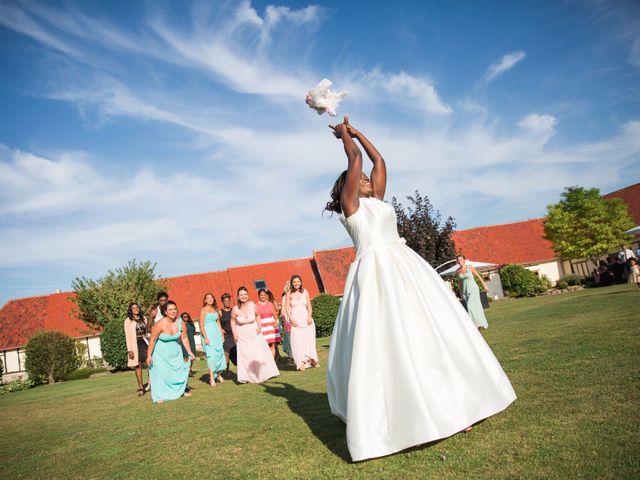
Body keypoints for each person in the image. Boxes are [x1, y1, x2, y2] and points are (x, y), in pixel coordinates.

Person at [324, 116, 516, 462]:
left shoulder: (378, 200)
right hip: (376, 276)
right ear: (347, 189)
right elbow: (355, 161)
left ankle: (456, 406)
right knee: (390, 343)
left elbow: (378, 161)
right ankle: (404, 419)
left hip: (406, 269)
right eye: (360, 180)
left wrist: (357, 132)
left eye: (368, 180)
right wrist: (342, 138)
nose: (367, 178)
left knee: (430, 333)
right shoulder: (351, 209)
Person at [146, 301, 195, 404]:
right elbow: (153, 340)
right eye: (170, 310)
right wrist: (149, 355)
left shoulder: (180, 323)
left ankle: (180, 391)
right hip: (160, 354)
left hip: (175, 354)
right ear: (165, 312)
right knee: (160, 375)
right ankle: (158, 396)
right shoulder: (159, 324)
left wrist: (190, 352)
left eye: (174, 309)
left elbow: (184, 338)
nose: (173, 311)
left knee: (178, 373)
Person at [231, 286, 279, 384]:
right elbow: (232, 321)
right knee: (246, 356)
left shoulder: (253, 305)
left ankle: (261, 374)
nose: (243, 296)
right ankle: (248, 376)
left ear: (247, 295)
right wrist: (234, 333)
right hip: (242, 336)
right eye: (241, 295)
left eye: (245, 294)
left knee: (257, 354)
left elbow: (258, 316)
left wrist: (259, 326)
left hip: (254, 333)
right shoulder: (235, 309)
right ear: (238, 297)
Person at [286, 275, 319, 371]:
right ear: (292, 283)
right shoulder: (289, 294)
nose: (296, 283)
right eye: (294, 282)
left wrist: (309, 317)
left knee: (309, 341)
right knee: (298, 341)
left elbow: (309, 306)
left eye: (298, 281)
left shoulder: (305, 292)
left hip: (306, 320)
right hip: (296, 321)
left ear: (301, 282)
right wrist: (291, 319)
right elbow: (288, 308)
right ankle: (301, 362)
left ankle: (312, 359)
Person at [198, 293, 226, 386]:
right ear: (205, 300)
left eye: (211, 298)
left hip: (216, 335)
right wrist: (205, 337)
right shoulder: (203, 311)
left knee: (219, 354)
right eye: (207, 298)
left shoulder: (215, 310)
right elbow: (201, 326)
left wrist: (221, 334)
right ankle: (211, 378)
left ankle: (219, 375)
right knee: (211, 356)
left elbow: (218, 323)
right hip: (208, 335)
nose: (210, 299)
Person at [123, 302, 150, 396]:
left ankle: (151, 384)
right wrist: (129, 349)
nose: (136, 309)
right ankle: (141, 387)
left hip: (145, 343)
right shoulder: (128, 320)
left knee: (150, 363)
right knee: (138, 365)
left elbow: (148, 331)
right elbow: (128, 336)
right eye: (133, 308)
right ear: (131, 310)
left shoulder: (144, 318)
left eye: (137, 307)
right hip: (135, 344)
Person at [456, 255, 489, 329]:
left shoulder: (469, 267)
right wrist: (461, 293)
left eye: (461, 259)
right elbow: (460, 283)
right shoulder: (458, 271)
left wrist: (484, 285)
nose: (459, 261)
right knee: (476, 306)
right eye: (458, 260)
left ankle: (474, 325)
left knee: (470, 306)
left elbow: (478, 276)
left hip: (473, 289)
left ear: (464, 260)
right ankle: (480, 323)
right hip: (465, 291)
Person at [257, 288, 281, 359]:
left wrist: (275, 321)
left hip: (271, 326)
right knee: (265, 345)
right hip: (262, 327)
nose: (263, 296)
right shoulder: (256, 305)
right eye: (261, 295)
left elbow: (275, 314)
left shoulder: (270, 304)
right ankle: (267, 361)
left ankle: (272, 362)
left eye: (264, 295)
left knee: (272, 345)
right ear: (258, 296)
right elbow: (256, 317)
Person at [219, 293, 237, 378]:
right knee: (226, 354)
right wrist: (221, 329)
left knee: (237, 354)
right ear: (222, 302)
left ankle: (241, 370)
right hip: (226, 336)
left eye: (228, 301)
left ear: (230, 301)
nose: (226, 302)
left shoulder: (234, 310)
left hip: (234, 335)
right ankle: (227, 372)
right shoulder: (220, 312)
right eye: (224, 301)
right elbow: (217, 323)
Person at [180, 312, 197, 377]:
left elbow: (194, 332)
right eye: (184, 317)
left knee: (193, 356)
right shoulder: (181, 325)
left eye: (187, 316)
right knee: (185, 356)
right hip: (184, 342)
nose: (186, 318)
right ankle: (186, 371)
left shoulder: (190, 324)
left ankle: (190, 368)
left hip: (191, 341)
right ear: (182, 318)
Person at [280, 281, 293, 361]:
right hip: (288, 319)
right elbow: (283, 309)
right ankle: (291, 356)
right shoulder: (284, 297)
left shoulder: (296, 295)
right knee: (289, 338)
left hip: (296, 317)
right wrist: (283, 319)